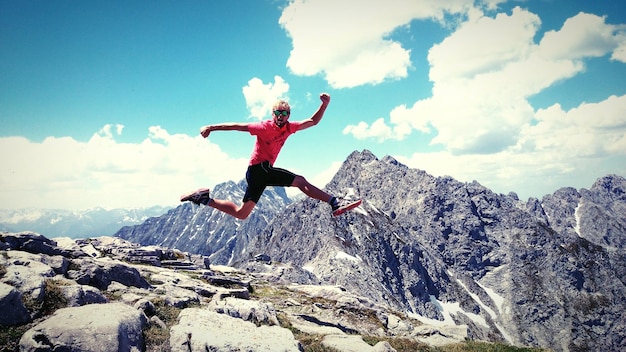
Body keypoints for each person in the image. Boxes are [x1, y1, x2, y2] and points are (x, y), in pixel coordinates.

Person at [180, 92, 359, 219]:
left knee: (241, 214)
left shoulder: (290, 127)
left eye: (284, 113)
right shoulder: (263, 127)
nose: (281, 116)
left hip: (258, 173)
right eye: (278, 113)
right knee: (300, 181)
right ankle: (334, 202)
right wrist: (211, 127)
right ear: (273, 114)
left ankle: (203, 198)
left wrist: (324, 105)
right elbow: (237, 126)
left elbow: (313, 121)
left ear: (288, 115)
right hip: (259, 169)